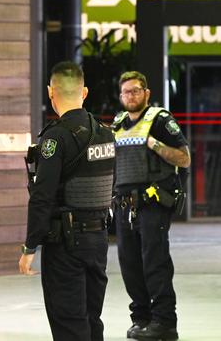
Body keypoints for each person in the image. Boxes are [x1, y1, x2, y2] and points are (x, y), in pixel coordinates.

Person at [18, 61, 115, 341]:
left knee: (69, 324)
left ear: (51, 93)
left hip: (65, 244)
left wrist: (30, 245)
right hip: (98, 241)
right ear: (84, 92)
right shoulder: (106, 134)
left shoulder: (55, 138)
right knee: (91, 320)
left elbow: (42, 196)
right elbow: (111, 184)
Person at [111, 71, 190, 340]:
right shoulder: (118, 123)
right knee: (129, 264)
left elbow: (184, 158)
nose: (130, 96)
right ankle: (142, 318)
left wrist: (154, 144)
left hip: (152, 202)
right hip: (124, 205)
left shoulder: (160, 121)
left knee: (154, 263)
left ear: (147, 93)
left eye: (135, 90)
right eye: (126, 92)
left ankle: (165, 322)